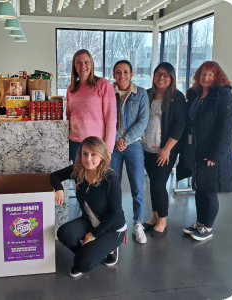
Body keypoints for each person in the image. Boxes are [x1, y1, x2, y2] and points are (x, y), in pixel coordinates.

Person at [50, 136, 127, 277]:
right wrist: (59, 188)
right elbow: (54, 176)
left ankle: (109, 249)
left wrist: (94, 234)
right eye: (84, 153)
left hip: (112, 228)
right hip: (90, 221)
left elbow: (116, 214)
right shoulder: (78, 170)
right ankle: (87, 253)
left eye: (93, 154)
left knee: (84, 265)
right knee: (63, 233)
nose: (88, 159)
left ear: (102, 156)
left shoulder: (110, 178)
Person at [178, 61, 232, 241]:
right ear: (198, 75)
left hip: (212, 153)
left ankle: (208, 228)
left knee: (210, 189)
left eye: (211, 74)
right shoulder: (196, 95)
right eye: (203, 74)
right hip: (196, 150)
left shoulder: (224, 96)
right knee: (199, 187)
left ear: (217, 77)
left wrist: (215, 155)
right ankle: (200, 222)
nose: (206, 78)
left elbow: (227, 129)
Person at [141, 62, 186, 237]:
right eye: (158, 74)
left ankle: (162, 222)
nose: (161, 77)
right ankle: (154, 217)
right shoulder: (147, 94)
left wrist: (167, 149)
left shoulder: (177, 97)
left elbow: (180, 125)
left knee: (159, 184)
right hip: (147, 148)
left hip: (165, 150)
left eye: (166, 75)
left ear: (172, 78)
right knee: (153, 184)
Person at [110, 60, 149, 244]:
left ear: (131, 74)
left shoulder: (140, 93)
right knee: (113, 185)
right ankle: (116, 222)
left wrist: (125, 139)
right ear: (114, 74)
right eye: (118, 72)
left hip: (133, 145)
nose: (122, 76)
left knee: (137, 185)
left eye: (126, 72)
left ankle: (138, 223)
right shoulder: (109, 92)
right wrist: (118, 138)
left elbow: (143, 121)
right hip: (113, 145)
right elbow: (107, 117)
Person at [66, 49, 116, 162]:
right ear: (74, 66)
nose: (82, 66)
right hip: (75, 145)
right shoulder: (71, 89)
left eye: (86, 62)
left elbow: (111, 120)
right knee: (79, 179)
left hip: (96, 145)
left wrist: (108, 149)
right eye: (78, 62)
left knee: (96, 179)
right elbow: (69, 117)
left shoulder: (103, 85)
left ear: (91, 64)